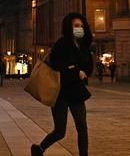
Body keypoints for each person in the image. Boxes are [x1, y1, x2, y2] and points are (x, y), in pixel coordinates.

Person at [31, 12, 93, 156]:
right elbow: (57, 68)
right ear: (69, 27)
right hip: (60, 92)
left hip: (77, 92)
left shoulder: (83, 45)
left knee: (82, 127)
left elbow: (89, 66)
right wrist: (75, 72)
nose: (80, 29)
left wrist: (79, 71)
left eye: (82, 26)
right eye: (76, 26)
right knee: (60, 131)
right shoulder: (61, 44)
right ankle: (39, 149)